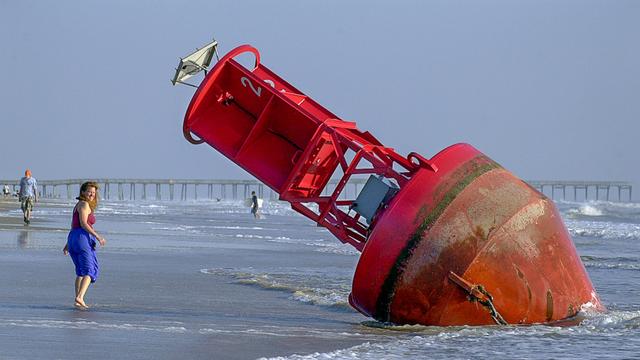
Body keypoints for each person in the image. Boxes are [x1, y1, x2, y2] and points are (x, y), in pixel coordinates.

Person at [62, 181, 106, 309]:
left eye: (93, 192)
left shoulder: (78, 205)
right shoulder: (84, 204)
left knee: (80, 272)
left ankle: (78, 300)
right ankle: (80, 297)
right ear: (83, 192)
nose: (92, 194)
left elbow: (73, 226)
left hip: (73, 238)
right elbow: (83, 223)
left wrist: (67, 244)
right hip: (82, 238)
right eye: (89, 191)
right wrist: (98, 236)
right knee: (90, 270)